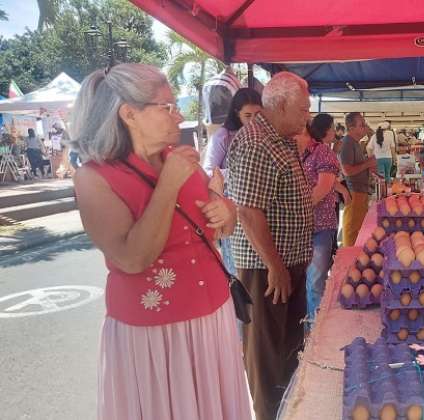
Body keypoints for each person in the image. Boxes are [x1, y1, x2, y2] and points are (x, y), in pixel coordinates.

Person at [68, 63, 251, 420]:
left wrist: (228, 213)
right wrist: (168, 185)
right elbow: (132, 258)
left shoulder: (182, 160)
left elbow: (215, 231)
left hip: (211, 319)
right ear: (129, 114)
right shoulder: (93, 178)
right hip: (155, 336)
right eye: (166, 107)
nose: (178, 116)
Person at [227, 71, 313, 420]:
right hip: (265, 271)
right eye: (303, 109)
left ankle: (287, 412)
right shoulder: (257, 143)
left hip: (284, 266)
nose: (307, 116)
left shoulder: (282, 138)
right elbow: (248, 212)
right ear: (279, 105)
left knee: (288, 351)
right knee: (266, 359)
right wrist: (276, 267)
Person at [297, 114, 351, 325]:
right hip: (298, 228)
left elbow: (323, 187)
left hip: (319, 225)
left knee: (316, 280)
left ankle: (316, 331)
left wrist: (294, 211)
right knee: (303, 281)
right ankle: (307, 325)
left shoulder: (323, 152)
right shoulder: (291, 152)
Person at [203, 88, 262, 276]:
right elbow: (208, 171)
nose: (253, 120)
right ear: (237, 113)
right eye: (247, 115)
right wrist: (239, 172)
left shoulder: (266, 135)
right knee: (237, 265)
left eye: (258, 114)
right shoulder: (223, 136)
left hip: (260, 207)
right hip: (233, 208)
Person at [339, 112, 377, 246]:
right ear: (351, 128)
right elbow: (347, 170)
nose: (364, 127)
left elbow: (356, 166)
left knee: (358, 230)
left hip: (360, 192)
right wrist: (367, 163)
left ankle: (354, 259)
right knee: (351, 232)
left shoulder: (354, 143)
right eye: (361, 125)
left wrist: (369, 167)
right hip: (353, 193)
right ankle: (349, 262)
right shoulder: (347, 143)